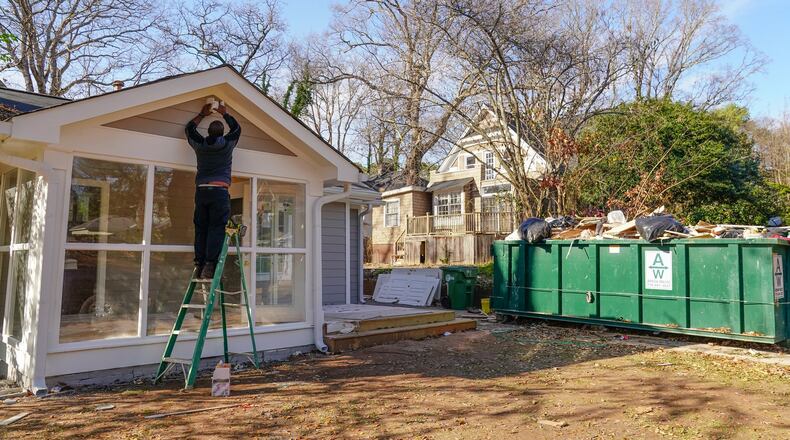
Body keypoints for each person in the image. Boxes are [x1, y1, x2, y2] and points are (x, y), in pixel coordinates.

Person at [185, 101, 241, 279]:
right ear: (222, 133)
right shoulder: (227, 144)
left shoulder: (200, 146)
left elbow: (189, 130)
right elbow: (237, 129)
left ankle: (198, 264)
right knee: (216, 227)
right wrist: (224, 113)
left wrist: (202, 114)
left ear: (208, 133)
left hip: (201, 192)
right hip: (219, 191)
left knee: (201, 228)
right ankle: (209, 265)